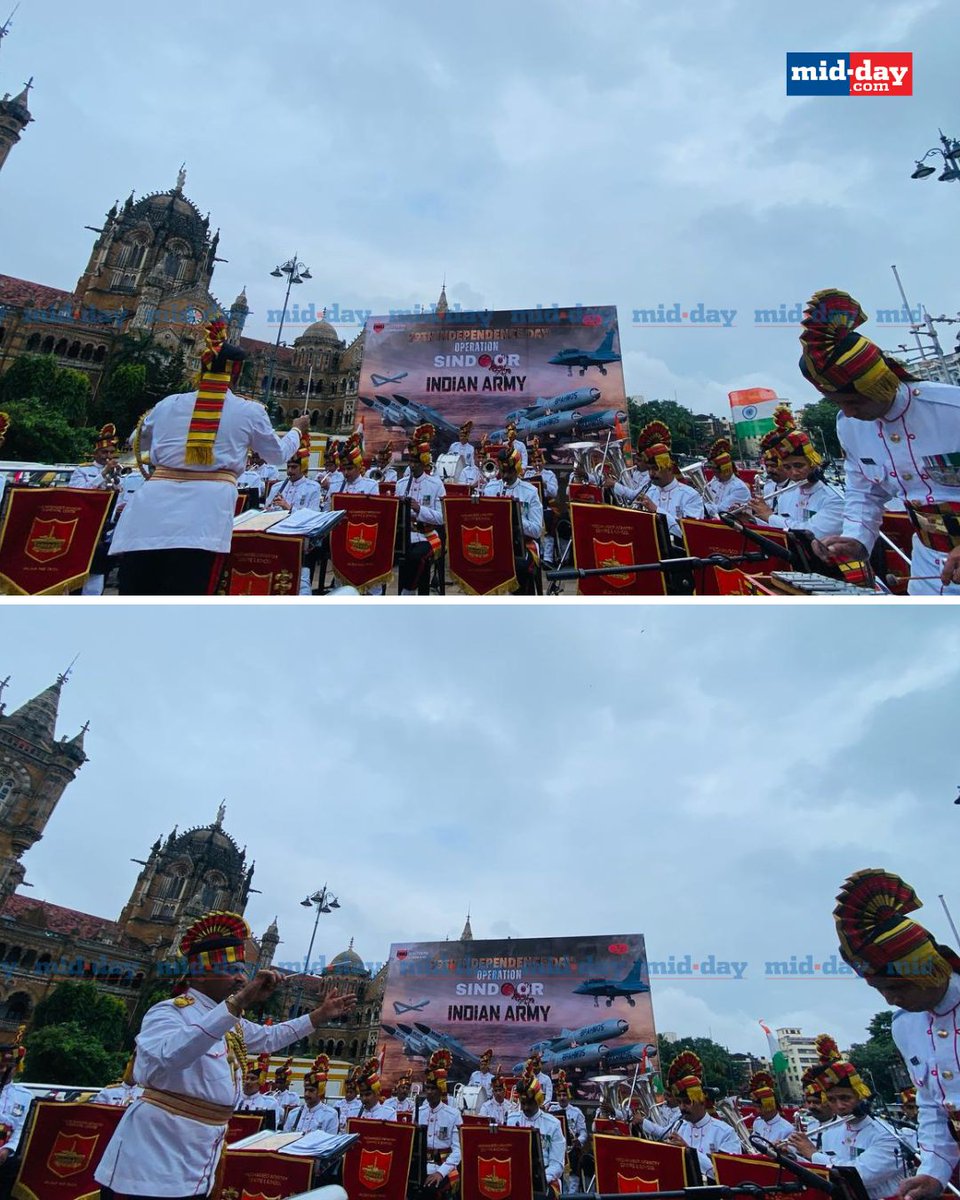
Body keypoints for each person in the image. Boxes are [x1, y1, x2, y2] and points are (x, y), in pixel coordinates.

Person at [94, 910, 356, 1200]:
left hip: (201, 1156)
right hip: (153, 1159)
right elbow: (171, 1056)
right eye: (232, 969)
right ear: (202, 972)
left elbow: (270, 1038)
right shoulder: (170, 1011)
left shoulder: (230, 1020)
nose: (241, 978)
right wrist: (238, 1003)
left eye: (243, 970)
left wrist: (319, 1016)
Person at [111, 320, 310, 595]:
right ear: (236, 374)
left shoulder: (169, 404)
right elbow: (277, 454)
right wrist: (297, 431)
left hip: (147, 518)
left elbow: (136, 442)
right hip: (202, 522)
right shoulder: (248, 411)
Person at [798, 288, 960, 592]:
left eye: (854, 401)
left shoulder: (952, 409)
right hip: (927, 567)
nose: (848, 412)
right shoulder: (850, 426)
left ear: (877, 384)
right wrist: (856, 539)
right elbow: (864, 492)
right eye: (838, 404)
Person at [832, 868, 960, 1199]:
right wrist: (933, 1170)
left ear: (927, 969)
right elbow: (932, 1104)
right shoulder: (906, 1024)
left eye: (893, 986)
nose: (890, 999)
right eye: (879, 990)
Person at [786, 1033, 902, 1200]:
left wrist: (812, 1153)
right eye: (832, 1099)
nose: (839, 1106)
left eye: (845, 1098)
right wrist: (791, 1157)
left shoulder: (886, 1134)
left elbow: (860, 1176)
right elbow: (824, 1171)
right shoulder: (831, 1132)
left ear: (862, 1096)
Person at [747, 407, 844, 539]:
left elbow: (813, 533)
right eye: (787, 467)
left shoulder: (835, 498)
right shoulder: (786, 495)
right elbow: (780, 531)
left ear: (813, 463)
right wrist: (750, 520)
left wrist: (769, 516)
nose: (794, 473)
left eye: (799, 465)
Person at [662, 1051, 740, 1181]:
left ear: (702, 1101)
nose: (681, 1107)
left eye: (687, 1102)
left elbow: (725, 1173)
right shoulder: (680, 1127)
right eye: (679, 1102)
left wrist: (688, 1150)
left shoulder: (725, 1132)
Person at [69, 422, 122, 596]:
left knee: (100, 571)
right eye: (104, 452)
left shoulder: (119, 472)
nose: (108, 455)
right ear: (95, 453)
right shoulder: (83, 470)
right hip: (84, 528)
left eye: (111, 452)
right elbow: (78, 494)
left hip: (106, 530)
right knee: (78, 572)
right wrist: (102, 475)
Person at [631, 421, 704, 543]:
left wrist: (656, 510)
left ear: (669, 468)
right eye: (649, 469)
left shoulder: (691, 495)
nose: (651, 474)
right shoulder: (649, 492)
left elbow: (688, 533)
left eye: (655, 469)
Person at [483, 447, 544, 595]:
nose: (504, 476)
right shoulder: (490, 489)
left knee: (519, 566)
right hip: (496, 544)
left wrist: (515, 517)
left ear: (516, 470)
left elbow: (536, 530)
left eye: (509, 472)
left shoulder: (530, 492)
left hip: (522, 545)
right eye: (502, 472)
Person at [395, 424, 446, 596]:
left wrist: (419, 509)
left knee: (415, 556)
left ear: (423, 462)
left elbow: (441, 518)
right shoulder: (401, 484)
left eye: (416, 462)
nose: (412, 465)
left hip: (427, 535)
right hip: (404, 534)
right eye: (410, 461)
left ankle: (408, 592)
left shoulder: (436, 484)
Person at [506, 1066, 565, 1196]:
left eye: (530, 1103)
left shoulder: (553, 1124)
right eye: (523, 1103)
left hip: (544, 1178)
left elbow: (557, 1164)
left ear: (538, 1100)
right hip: (516, 1176)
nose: (526, 1107)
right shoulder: (511, 1120)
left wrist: (541, 1179)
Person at [418, 1050, 462, 1192]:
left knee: (429, 1189)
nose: (429, 1092)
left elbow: (457, 1150)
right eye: (427, 1088)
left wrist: (440, 1172)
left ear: (441, 1089)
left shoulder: (453, 1114)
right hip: (420, 1165)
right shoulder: (419, 1111)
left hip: (443, 1165)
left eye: (433, 1088)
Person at [0, 1027, 33, 1199]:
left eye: (9, 1066)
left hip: (5, 1157)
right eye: (2, 1065)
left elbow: (20, 1127)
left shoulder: (24, 1096)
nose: (4, 1070)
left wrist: (8, 1149)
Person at [549, 1071, 586, 1193]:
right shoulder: (551, 1110)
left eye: (564, 1095)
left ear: (568, 1096)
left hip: (571, 1151)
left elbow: (584, 1132)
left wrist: (578, 1141)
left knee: (572, 1182)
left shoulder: (577, 1112)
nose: (562, 1098)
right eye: (559, 1095)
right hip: (556, 1149)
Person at [524, 439, 560, 566]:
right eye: (534, 461)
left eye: (539, 461)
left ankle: (548, 558)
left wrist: (544, 484)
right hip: (531, 507)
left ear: (543, 461)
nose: (537, 464)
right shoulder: (528, 474)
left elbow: (554, 492)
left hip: (545, 506)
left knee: (548, 520)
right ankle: (535, 555)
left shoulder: (549, 474)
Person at [284, 1054, 338, 1134]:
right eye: (305, 1090)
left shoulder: (330, 1115)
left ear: (320, 1091)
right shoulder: (294, 1113)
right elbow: (284, 1139)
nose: (306, 1094)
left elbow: (329, 1144)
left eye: (311, 1091)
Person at [703, 437, 750, 517]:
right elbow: (706, 499)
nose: (714, 474)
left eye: (716, 471)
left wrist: (701, 507)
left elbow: (721, 510)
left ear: (725, 470)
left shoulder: (739, 488)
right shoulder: (715, 481)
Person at [747, 1069, 793, 1145]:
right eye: (755, 1107)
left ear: (771, 1105)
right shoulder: (757, 1122)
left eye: (760, 1107)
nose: (757, 1111)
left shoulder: (788, 1129)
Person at [237, 1056, 282, 1124]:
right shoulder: (234, 1100)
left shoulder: (270, 1103)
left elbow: (270, 1130)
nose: (248, 1082)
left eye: (253, 1079)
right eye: (247, 1078)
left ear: (260, 1082)